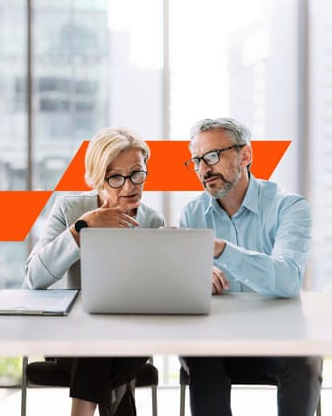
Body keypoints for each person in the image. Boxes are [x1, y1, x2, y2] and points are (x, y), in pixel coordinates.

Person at [178, 117, 322, 416]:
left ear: (245, 155)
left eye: (213, 156)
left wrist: (220, 250)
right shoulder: (192, 214)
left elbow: (287, 280)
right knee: (200, 356)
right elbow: (184, 285)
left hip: (277, 339)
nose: (204, 169)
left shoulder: (290, 207)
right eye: (197, 161)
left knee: (305, 358)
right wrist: (195, 277)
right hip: (215, 341)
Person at [25, 127, 165, 416]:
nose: (129, 187)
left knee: (109, 341)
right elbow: (33, 279)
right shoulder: (71, 208)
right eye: (116, 178)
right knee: (99, 341)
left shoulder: (153, 220)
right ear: (97, 179)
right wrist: (80, 229)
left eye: (137, 174)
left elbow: (158, 291)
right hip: (71, 336)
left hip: (131, 334)